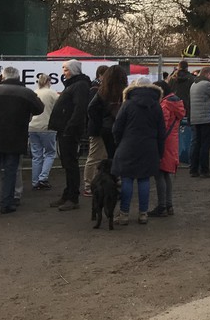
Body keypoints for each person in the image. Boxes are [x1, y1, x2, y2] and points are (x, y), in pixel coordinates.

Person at [0, 66, 43, 215]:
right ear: (18, 77)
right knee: (11, 171)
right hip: (16, 137)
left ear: (3, 77)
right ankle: (7, 203)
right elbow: (39, 108)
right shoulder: (26, 92)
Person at [112, 79, 167, 225]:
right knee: (144, 180)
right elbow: (161, 131)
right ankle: (143, 214)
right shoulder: (156, 106)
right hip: (149, 147)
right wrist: (160, 151)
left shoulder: (128, 104)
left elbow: (117, 127)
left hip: (128, 145)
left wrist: (119, 143)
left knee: (127, 179)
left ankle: (124, 214)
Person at [47, 59, 91, 211]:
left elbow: (79, 109)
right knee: (67, 163)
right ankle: (68, 194)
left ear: (73, 70)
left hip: (69, 130)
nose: (63, 72)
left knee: (71, 163)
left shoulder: (79, 85)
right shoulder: (74, 85)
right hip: (65, 129)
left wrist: (70, 127)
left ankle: (73, 197)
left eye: (65, 69)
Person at [84, 65, 126, 196]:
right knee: (99, 157)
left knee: (98, 158)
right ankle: (91, 185)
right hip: (107, 130)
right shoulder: (115, 93)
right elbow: (91, 109)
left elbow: (91, 109)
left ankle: (93, 184)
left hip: (102, 129)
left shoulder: (102, 91)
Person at [150, 80, 185, 217]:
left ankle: (162, 206)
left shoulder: (165, 105)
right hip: (172, 141)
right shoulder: (176, 103)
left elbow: (161, 126)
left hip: (164, 143)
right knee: (167, 174)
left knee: (159, 174)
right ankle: (169, 205)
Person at [28, 73, 59, 190]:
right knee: (50, 153)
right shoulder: (52, 93)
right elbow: (58, 107)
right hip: (47, 126)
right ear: (48, 82)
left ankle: (35, 181)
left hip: (32, 126)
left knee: (36, 155)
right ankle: (43, 178)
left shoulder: (34, 93)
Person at [188, 66, 210, 179]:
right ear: (207, 74)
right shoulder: (206, 85)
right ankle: (204, 170)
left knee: (196, 144)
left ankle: (193, 169)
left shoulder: (194, 84)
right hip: (206, 119)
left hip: (195, 118)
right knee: (205, 145)